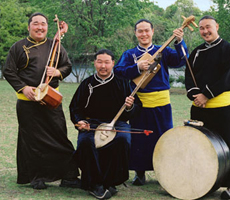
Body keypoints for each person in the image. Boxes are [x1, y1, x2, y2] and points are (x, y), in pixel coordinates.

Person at [3, 12, 80, 189]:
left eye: (43, 24)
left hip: (51, 100)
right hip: (27, 103)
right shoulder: (18, 47)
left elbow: (67, 66)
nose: (40, 27)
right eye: (36, 24)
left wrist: (58, 72)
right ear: (29, 26)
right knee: (31, 141)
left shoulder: (56, 45)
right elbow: (8, 71)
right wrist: (24, 88)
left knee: (59, 137)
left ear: (47, 26)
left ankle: (68, 176)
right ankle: (36, 177)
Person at [114, 19, 188, 185]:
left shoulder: (163, 51)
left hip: (162, 102)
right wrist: (137, 67)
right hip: (140, 103)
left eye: (147, 30)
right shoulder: (129, 54)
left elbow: (181, 60)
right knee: (140, 137)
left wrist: (179, 42)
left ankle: (165, 172)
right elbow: (118, 71)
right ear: (136, 33)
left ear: (152, 31)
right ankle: (140, 173)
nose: (144, 34)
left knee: (164, 137)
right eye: (140, 31)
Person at [69, 49, 142, 199]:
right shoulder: (87, 84)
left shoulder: (123, 83)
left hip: (117, 123)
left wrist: (129, 106)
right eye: (100, 62)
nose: (103, 66)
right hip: (91, 122)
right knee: (86, 142)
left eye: (107, 62)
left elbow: (136, 109)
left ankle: (111, 181)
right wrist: (80, 121)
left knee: (123, 139)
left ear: (113, 63)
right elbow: (75, 107)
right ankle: (94, 183)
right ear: (94, 63)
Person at [185, 15, 230, 199]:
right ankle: (203, 183)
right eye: (201, 28)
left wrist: (206, 95)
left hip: (221, 107)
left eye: (208, 27)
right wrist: (195, 94)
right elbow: (189, 76)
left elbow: (227, 77)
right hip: (198, 107)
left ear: (217, 26)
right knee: (199, 146)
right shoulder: (196, 52)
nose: (205, 31)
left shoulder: (228, 49)